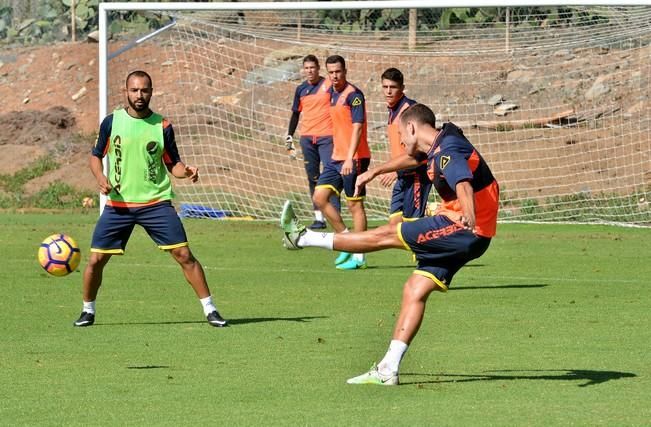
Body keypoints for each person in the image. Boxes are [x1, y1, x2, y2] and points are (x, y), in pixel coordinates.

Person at [281, 103, 499, 385]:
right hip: (473, 233)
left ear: (411, 127)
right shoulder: (439, 143)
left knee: (387, 234)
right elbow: (416, 160)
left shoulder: (448, 150)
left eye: (400, 134)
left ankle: (302, 237)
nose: (400, 141)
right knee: (415, 288)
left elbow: (463, 182)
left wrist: (467, 213)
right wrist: (375, 171)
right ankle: (388, 370)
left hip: (463, 227)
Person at [73, 70, 227, 328]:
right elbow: (95, 155)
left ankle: (210, 309)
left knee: (184, 254)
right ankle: (87, 310)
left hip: (156, 204)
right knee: (96, 260)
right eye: (134, 90)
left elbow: (173, 164)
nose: (139, 95)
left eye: (144, 90)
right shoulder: (112, 122)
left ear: (151, 92)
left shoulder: (162, 126)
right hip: (119, 205)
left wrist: (186, 171)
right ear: (126, 92)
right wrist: (100, 176)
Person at [313, 54, 371, 270]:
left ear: (345, 71)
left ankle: (360, 256)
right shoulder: (330, 94)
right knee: (319, 198)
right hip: (337, 157)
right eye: (331, 72)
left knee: (354, 204)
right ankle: (346, 240)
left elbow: (357, 126)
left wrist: (349, 157)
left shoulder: (354, 95)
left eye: (338, 71)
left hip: (354, 157)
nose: (335, 76)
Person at [285, 54, 340, 230]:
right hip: (307, 138)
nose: (310, 71)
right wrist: (289, 135)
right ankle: (319, 218)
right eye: (306, 68)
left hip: (327, 138)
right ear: (303, 69)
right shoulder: (300, 89)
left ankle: (335, 215)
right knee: (312, 177)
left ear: (318, 68)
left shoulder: (329, 85)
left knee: (331, 175)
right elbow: (295, 113)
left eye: (313, 67)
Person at [378, 68, 431, 226]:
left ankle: (435, 212)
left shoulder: (410, 111)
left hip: (416, 174)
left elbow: (422, 150)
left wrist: (395, 170)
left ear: (402, 88)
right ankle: (431, 211)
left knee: (412, 227)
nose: (388, 91)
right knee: (395, 226)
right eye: (385, 87)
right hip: (402, 174)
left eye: (392, 87)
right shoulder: (393, 110)